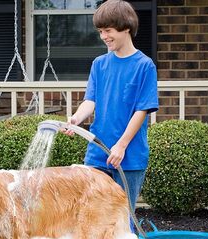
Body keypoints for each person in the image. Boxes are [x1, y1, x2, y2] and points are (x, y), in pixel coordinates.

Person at [66, 0, 159, 212]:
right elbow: (90, 101)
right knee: (93, 212)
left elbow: (141, 110)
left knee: (123, 216)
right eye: (100, 31)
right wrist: (75, 119)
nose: (103, 36)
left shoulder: (144, 66)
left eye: (108, 30)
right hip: (98, 152)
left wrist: (122, 145)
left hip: (130, 155)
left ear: (126, 27)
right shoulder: (99, 64)